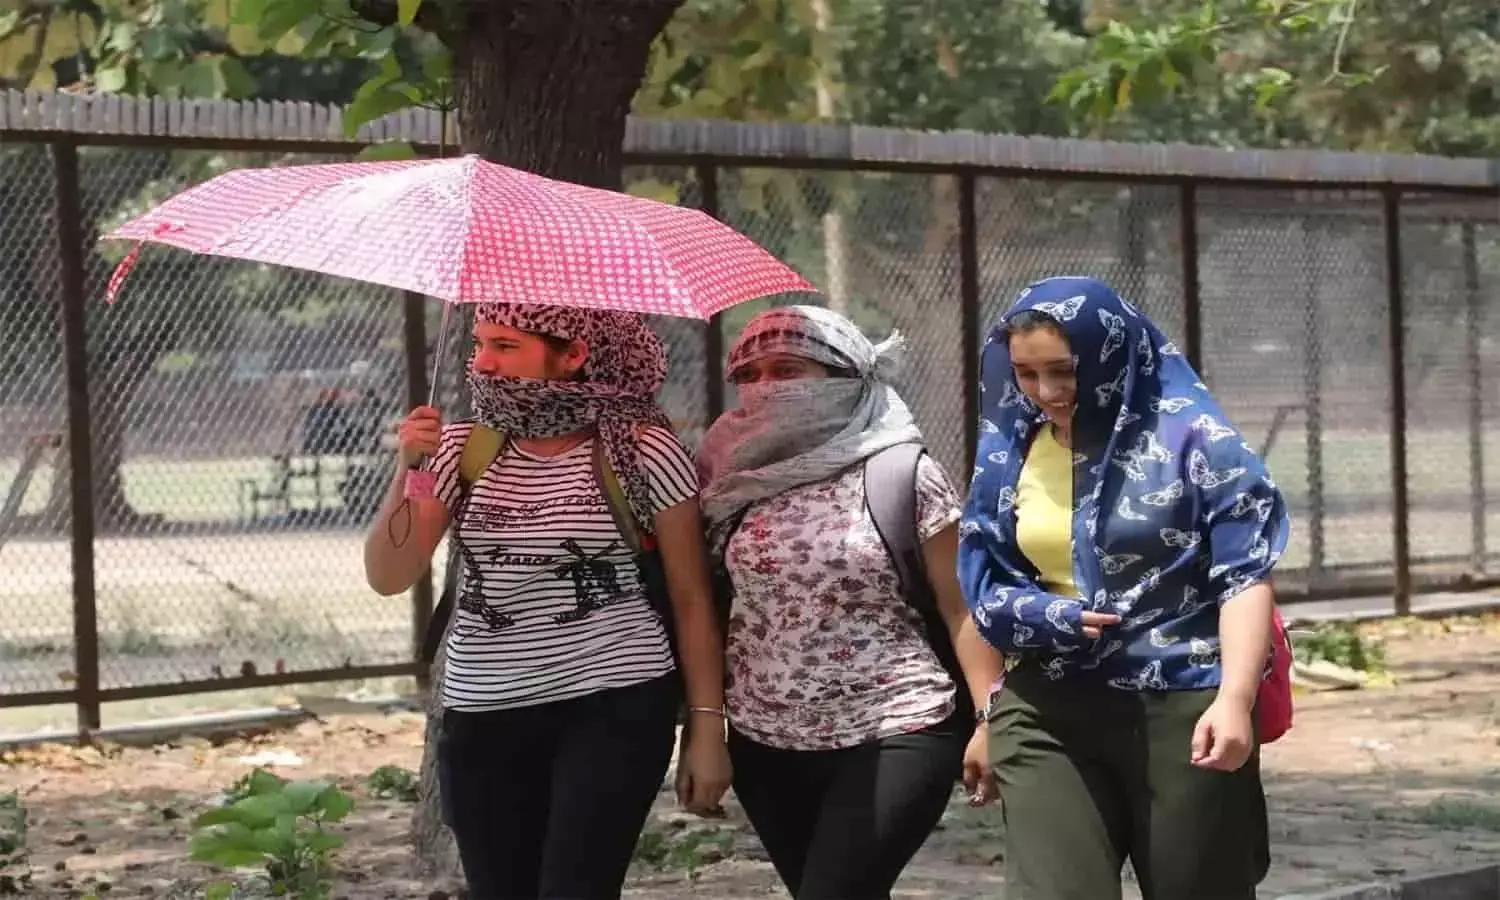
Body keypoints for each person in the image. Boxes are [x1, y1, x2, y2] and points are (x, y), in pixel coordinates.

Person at [362, 303, 732, 900]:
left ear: (572, 355)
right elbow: (389, 574)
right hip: (483, 711)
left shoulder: (644, 449)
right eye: (478, 345)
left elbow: (691, 599)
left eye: (505, 346)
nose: (483, 363)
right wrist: (408, 470)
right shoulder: (460, 449)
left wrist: (707, 729)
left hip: (612, 702)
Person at [959, 276, 1291, 900]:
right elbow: (984, 584)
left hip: (1181, 703)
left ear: (1113, 355)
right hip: (1045, 706)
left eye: (1064, 370)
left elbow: (1245, 578)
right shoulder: (1011, 449)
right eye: (1026, 374)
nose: (1046, 392)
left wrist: (1234, 699)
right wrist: (987, 713)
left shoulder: (1198, 443)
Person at [698, 305, 1004, 900]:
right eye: (749, 375)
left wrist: (991, 719)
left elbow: (961, 607)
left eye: (787, 370)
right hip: (765, 741)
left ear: (846, 376)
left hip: (896, 725)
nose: (765, 388)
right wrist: (707, 727)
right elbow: (709, 605)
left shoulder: (903, 472)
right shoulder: (726, 475)